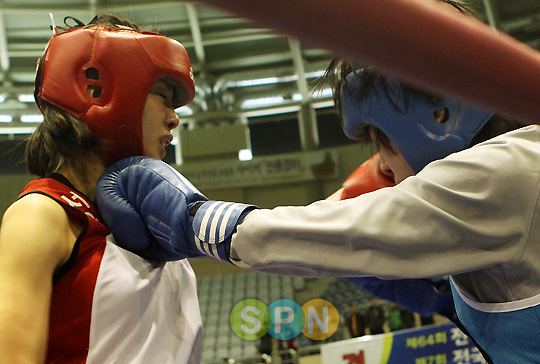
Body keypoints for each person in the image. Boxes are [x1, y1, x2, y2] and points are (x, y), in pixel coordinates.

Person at [95, 1, 540, 363]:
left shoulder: (505, 171)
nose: (382, 166)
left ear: (438, 117)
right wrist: (452, 295)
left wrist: (193, 218)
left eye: (380, 142)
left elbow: (327, 231)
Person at [0, 15, 202, 363]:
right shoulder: (43, 215)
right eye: (163, 97)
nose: (174, 118)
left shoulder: (152, 213)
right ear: (100, 92)